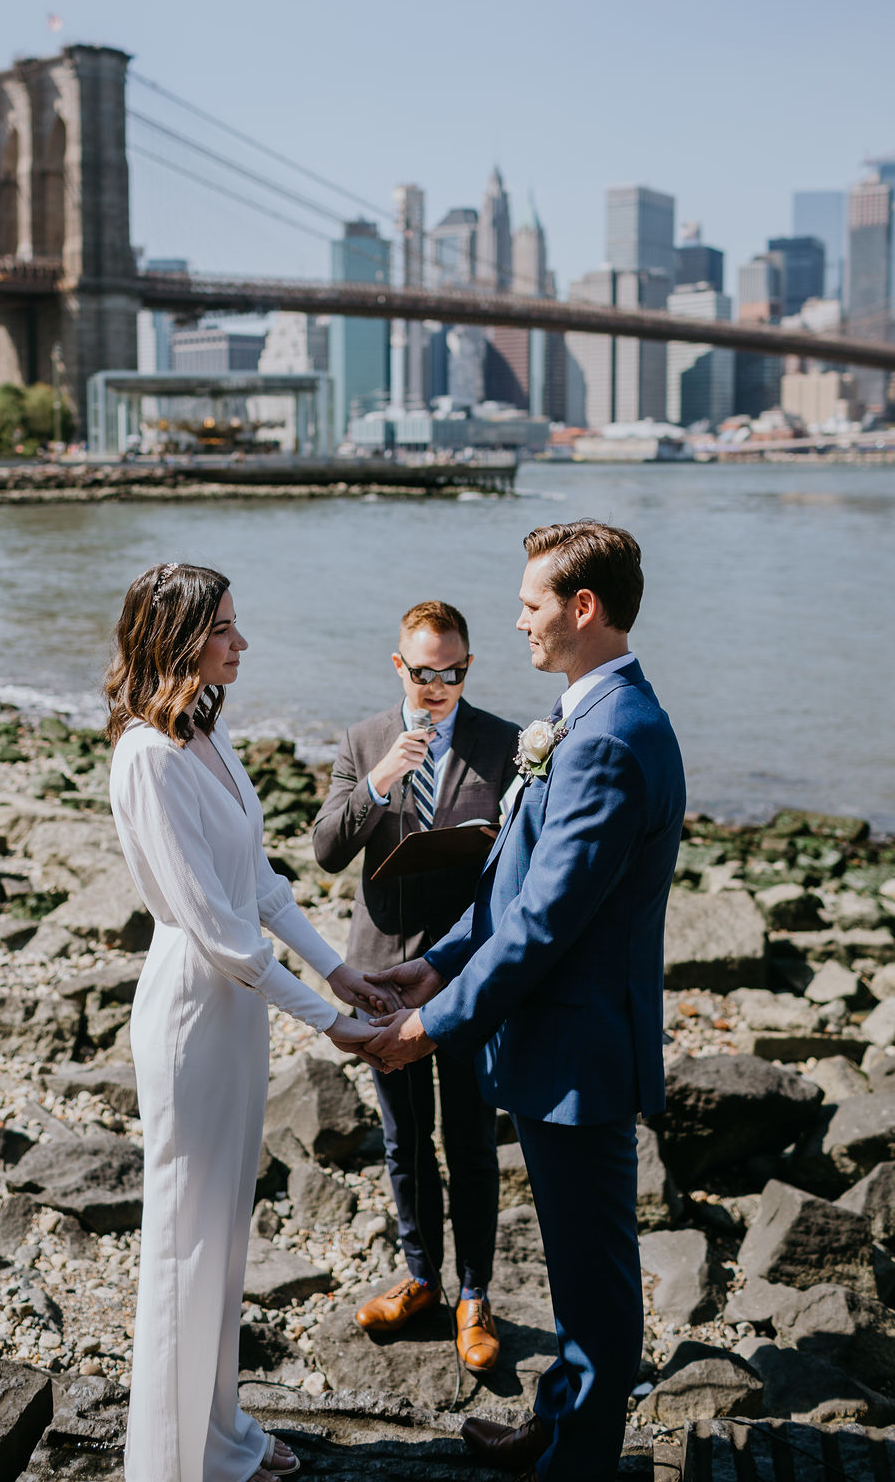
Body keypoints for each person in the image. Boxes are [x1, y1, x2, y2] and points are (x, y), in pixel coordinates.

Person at [362, 522, 685, 1482]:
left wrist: (431, 1024)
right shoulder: (584, 719)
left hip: (580, 1053)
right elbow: (513, 888)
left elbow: (545, 924)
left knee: (594, 1270)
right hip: (556, 1045)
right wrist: (435, 966)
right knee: (575, 1264)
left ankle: (577, 1463)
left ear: (583, 608)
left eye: (532, 604)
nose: (519, 621)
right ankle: (559, 1423)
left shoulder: (612, 740)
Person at [105, 562, 387, 1482]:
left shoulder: (204, 737)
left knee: (223, 1241)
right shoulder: (147, 756)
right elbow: (221, 935)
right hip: (193, 1009)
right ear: (180, 640)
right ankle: (173, 1462)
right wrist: (329, 1023)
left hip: (233, 1010)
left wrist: (343, 972)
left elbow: (260, 888)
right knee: (184, 1241)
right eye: (224, 628)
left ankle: (217, 1437)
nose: (242, 641)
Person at [312, 601, 519, 1369]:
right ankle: (421, 1277)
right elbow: (328, 851)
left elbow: (520, 865)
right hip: (380, 976)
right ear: (400, 666)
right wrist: (379, 781)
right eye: (426, 672)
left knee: (470, 1141)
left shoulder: (504, 743)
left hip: (467, 976)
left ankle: (476, 1295)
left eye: (455, 672)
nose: (440, 686)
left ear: (468, 667)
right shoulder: (363, 740)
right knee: (404, 1142)